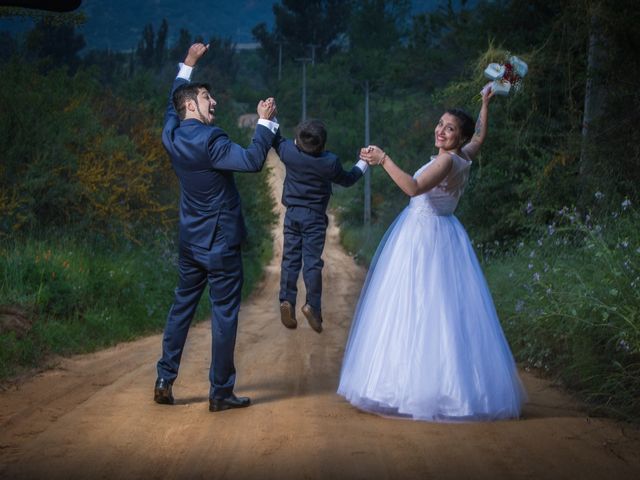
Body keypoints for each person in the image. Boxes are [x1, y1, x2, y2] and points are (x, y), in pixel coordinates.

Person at [337, 88, 527, 421]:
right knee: (443, 309)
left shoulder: (446, 160)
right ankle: (451, 383)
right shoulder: (465, 155)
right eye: (440, 124)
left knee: (418, 305)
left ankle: (417, 386)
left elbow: (412, 187)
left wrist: (384, 161)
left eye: (450, 128)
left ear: (459, 137)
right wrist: (485, 102)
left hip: (424, 236)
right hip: (446, 232)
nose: (441, 130)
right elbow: (481, 138)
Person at [154, 43, 279, 412]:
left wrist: (188, 65)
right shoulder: (213, 139)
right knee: (224, 315)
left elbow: (169, 104)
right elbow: (254, 160)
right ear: (191, 105)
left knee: (181, 309)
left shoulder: (172, 135)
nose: (214, 103)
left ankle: (165, 377)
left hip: (190, 242)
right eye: (207, 97)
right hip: (220, 244)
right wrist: (265, 122)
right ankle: (220, 392)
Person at [274, 119, 367, 333]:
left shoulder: (288, 151)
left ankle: (286, 300)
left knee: (290, 259)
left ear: (297, 141)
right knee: (312, 263)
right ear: (322, 145)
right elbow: (348, 179)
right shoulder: (329, 162)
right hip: (314, 217)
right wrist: (363, 163)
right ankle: (312, 306)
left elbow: (276, 139)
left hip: (292, 214)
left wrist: (273, 118)